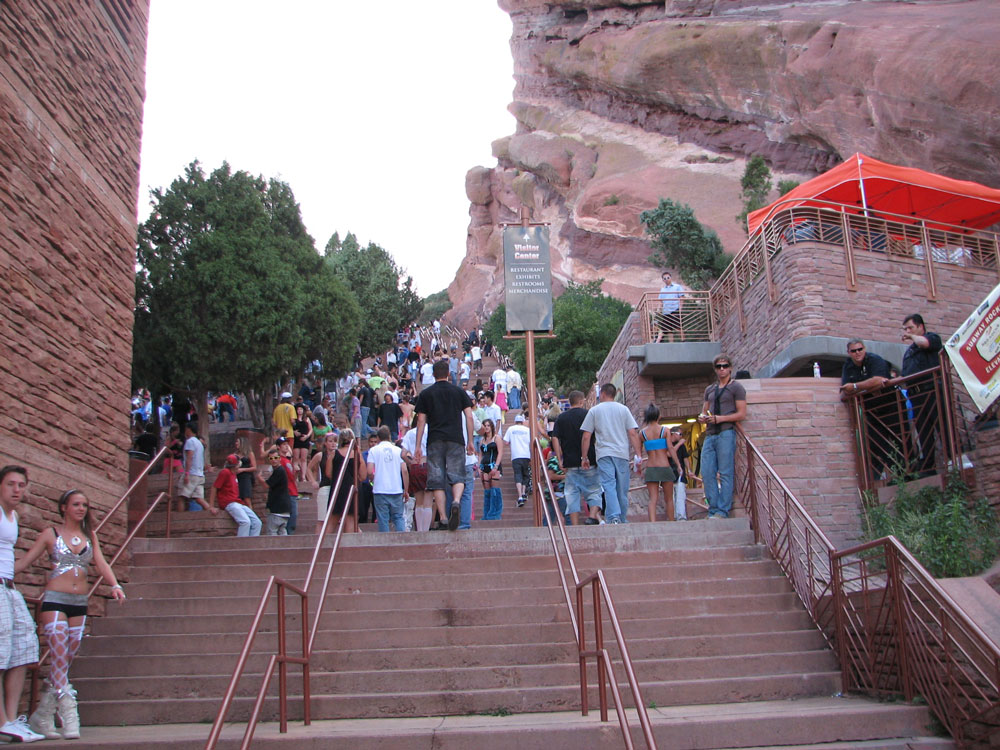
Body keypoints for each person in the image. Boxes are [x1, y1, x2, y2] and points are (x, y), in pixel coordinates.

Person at [16, 488, 125, 740]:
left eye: (84, 505)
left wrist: (115, 585)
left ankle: (42, 716)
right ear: (64, 507)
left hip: (79, 602)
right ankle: (69, 712)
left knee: (65, 659)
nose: (81, 509)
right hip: (55, 599)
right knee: (58, 654)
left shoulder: (90, 535)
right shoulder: (50, 534)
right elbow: (26, 561)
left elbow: (100, 562)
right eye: (76, 504)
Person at [0, 467, 44, 743]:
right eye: (10, 484)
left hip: (9, 587)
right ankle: (2, 721)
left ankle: (11, 718)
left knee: (24, 647)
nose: (17, 490)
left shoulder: (13, 516)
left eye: (21, 485)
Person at [414, 359, 475, 532]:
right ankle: (456, 501)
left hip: (435, 439)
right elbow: (469, 416)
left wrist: (417, 445)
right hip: (456, 439)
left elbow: (421, 420)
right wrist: (470, 441)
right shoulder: (458, 391)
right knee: (458, 475)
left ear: (433, 374)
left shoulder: (426, 394)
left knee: (436, 479)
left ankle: (443, 518)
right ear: (448, 373)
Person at [580, 384, 642, 524]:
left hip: (604, 453)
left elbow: (586, 436)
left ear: (602, 393)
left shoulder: (594, 411)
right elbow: (632, 433)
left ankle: (613, 517)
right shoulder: (624, 409)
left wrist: (584, 457)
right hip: (622, 453)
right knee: (622, 488)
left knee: (609, 486)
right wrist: (638, 454)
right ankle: (622, 518)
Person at [840, 339, 900, 477]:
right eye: (853, 351)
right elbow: (846, 390)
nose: (857, 353)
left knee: (901, 439)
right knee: (876, 444)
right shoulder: (848, 366)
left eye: (860, 349)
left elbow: (879, 380)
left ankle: (908, 474)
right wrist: (870, 385)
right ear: (849, 352)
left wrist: (856, 386)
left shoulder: (875, 359)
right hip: (871, 410)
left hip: (891, 405)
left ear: (865, 349)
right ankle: (891, 474)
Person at [698, 354, 747, 518]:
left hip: (726, 432)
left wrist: (721, 419)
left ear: (730, 368)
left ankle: (722, 510)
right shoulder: (710, 389)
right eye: (719, 366)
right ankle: (713, 508)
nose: (722, 369)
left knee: (725, 472)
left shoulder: (736, 387)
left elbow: (741, 413)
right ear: (715, 369)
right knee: (707, 472)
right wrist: (702, 418)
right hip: (710, 433)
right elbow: (704, 410)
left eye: (725, 366)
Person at [901, 313, 944, 475]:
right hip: (916, 395)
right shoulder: (910, 351)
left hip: (933, 391)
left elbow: (925, 343)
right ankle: (929, 468)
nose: (907, 332)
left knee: (943, 427)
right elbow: (905, 374)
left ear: (920, 326)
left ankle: (955, 460)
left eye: (910, 328)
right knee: (923, 432)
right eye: (905, 329)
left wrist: (912, 336)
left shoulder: (932, 338)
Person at [552, 390, 603, 525]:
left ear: (570, 402)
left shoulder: (561, 418)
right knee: (594, 490)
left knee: (572, 495)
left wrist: (559, 458)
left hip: (570, 462)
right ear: (581, 401)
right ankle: (592, 516)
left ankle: (575, 526)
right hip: (589, 460)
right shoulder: (589, 414)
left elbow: (555, 438)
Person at [639, 404, 679, 522]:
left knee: (653, 499)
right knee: (669, 499)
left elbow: (639, 454)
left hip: (651, 468)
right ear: (658, 415)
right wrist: (678, 464)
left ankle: (653, 524)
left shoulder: (642, 433)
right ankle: (671, 522)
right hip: (664, 466)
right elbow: (671, 448)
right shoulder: (665, 430)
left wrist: (639, 468)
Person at [367, 426, 409, 532]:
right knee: (398, 517)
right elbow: (404, 470)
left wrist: (372, 479)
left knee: (383, 519)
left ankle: (384, 540)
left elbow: (369, 471)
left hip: (379, 489)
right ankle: (401, 539)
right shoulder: (398, 450)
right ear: (389, 436)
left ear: (378, 438)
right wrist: (406, 490)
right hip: (396, 489)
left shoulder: (373, 451)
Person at [209, 454, 261, 536]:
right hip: (229, 503)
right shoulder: (225, 472)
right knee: (245, 522)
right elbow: (214, 487)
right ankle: (241, 543)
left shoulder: (233, 473)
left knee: (257, 523)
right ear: (237, 465)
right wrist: (211, 506)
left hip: (238, 502)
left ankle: (252, 542)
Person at [178, 422, 209, 513]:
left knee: (181, 496)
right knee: (198, 498)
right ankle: (211, 509)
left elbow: (189, 458)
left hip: (192, 473)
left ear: (189, 430)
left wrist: (187, 474)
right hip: (200, 475)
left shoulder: (190, 441)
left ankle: (178, 517)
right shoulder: (199, 443)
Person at [504, 414, 532, 508]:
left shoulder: (511, 429)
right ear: (523, 421)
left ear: (515, 421)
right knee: (525, 474)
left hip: (516, 455)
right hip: (526, 455)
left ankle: (519, 496)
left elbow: (506, 442)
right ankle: (523, 492)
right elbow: (530, 442)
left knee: (518, 474)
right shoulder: (527, 430)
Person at [262, 447, 292, 535]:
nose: (273, 460)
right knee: (282, 532)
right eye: (271, 458)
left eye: (275, 458)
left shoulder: (279, 471)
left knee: (272, 532)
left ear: (279, 458)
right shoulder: (278, 471)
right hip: (284, 509)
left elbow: (266, 485)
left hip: (278, 510)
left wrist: (259, 478)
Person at [479, 419, 504, 520]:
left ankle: (495, 513)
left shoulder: (497, 438)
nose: (486, 427)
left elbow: (500, 452)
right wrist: (479, 467)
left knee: (495, 490)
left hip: (494, 465)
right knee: (487, 491)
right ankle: (487, 513)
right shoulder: (482, 440)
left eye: (488, 425)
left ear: (492, 426)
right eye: (485, 425)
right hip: (484, 466)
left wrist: (496, 466)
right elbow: (480, 454)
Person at [654, 271, 685, 343]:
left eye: (668, 277)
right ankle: (670, 343)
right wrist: (658, 310)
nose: (666, 279)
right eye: (664, 278)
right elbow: (661, 301)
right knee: (667, 329)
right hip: (666, 312)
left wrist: (680, 308)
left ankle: (683, 341)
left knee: (678, 326)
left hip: (675, 309)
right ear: (663, 280)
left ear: (671, 278)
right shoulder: (663, 290)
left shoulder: (677, 287)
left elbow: (682, 297)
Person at [668, 427, 691, 521]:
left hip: (680, 474)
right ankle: (672, 516)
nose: (681, 437)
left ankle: (681, 516)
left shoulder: (682, 446)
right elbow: (669, 454)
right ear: (674, 434)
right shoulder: (667, 443)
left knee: (680, 496)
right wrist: (679, 443)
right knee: (670, 497)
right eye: (680, 434)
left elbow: (685, 458)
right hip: (669, 473)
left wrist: (689, 470)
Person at [292, 405, 313, 483]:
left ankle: (303, 476)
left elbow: (310, 429)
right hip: (296, 440)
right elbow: (290, 428)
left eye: (301, 409)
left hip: (304, 439)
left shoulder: (306, 419)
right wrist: (294, 432)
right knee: (296, 458)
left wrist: (307, 436)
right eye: (298, 409)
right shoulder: (294, 420)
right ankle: (296, 476)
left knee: (304, 459)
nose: (299, 411)